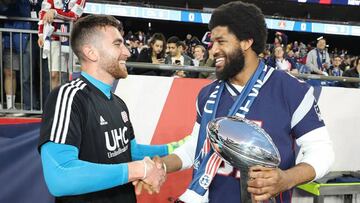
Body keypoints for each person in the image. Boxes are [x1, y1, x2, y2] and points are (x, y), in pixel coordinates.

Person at [136, 2, 334, 203]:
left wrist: (286, 179)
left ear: (246, 42)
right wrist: (162, 166)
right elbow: (196, 147)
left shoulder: (291, 90)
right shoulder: (207, 94)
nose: (213, 51)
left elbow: (322, 151)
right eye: (213, 43)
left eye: (221, 41)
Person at [38, 14, 187, 202]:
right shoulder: (68, 96)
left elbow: (129, 152)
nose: (127, 52)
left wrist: (178, 146)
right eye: (118, 44)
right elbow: (60, 176)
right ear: (91, 52)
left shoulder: (118, 103)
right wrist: (139, 169)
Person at [37, 0, 86, 90]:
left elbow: (74, 16)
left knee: (73, 76)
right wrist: (41, 34)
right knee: (54, 75)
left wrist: (54, 12)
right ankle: (56, 102)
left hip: (74, 39)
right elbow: (44, 12)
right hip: (54, 37)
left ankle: (72, 102)